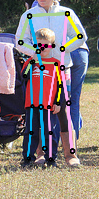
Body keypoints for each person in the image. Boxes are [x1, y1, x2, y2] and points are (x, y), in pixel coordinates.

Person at [15, 0, 86, 168]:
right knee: (39, 113)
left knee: (63, 111)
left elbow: (80, 36)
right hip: (38, 71)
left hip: (62, 70)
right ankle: (41, 153)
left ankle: (70, 155)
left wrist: (63, 49)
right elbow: (19, 41)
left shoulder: (66, 13)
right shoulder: (29, 15)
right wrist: (35, 52)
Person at [20, 29, 63, 168]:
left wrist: (58, 102)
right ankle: (28, 159)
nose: (42, 48)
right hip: (32, 104)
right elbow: (24, 77)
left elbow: (60, 85)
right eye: (39, 45)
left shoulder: (56, 63)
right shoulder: (30, 62)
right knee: (30, 132)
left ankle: (51, 159)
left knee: (49, 132)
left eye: (46, 45)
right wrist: (32, 62)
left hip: (48, 105)